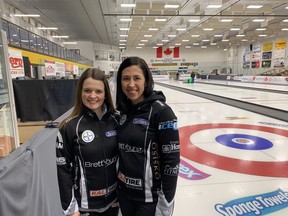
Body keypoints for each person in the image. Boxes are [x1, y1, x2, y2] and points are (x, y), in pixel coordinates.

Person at [116, 57, 180, 216]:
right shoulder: (122, 111)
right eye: (126, 79)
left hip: (150, 200)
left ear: (146, 81)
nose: (131, 84)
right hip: (125, 194)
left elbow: (171, 161)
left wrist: (166, 203)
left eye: (137, 78)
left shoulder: (162, 112)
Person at [56, 68, 119, 216]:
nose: (92, 96)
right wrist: (71, 209)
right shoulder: (69, 126)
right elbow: (63, 172)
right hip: (85, 207)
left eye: (98, 91)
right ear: (80, 92)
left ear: (105, 94)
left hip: (114, 202)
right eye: (87, 90)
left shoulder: (116, 120)